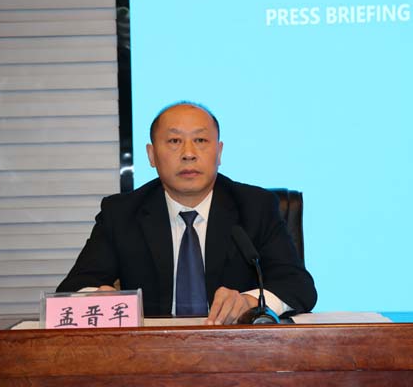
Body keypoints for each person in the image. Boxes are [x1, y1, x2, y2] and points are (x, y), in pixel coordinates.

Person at [57, 101, 317, 324]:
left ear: (219, 152)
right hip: (150, 354)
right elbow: (72, 289)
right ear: (151, 155)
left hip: (235, 351)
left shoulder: (255, 206)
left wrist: (250, 302)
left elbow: (298, 285)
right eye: (174, 141)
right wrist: (95, 297)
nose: (189, 154)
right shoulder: (122, 213)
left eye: (201, 140)